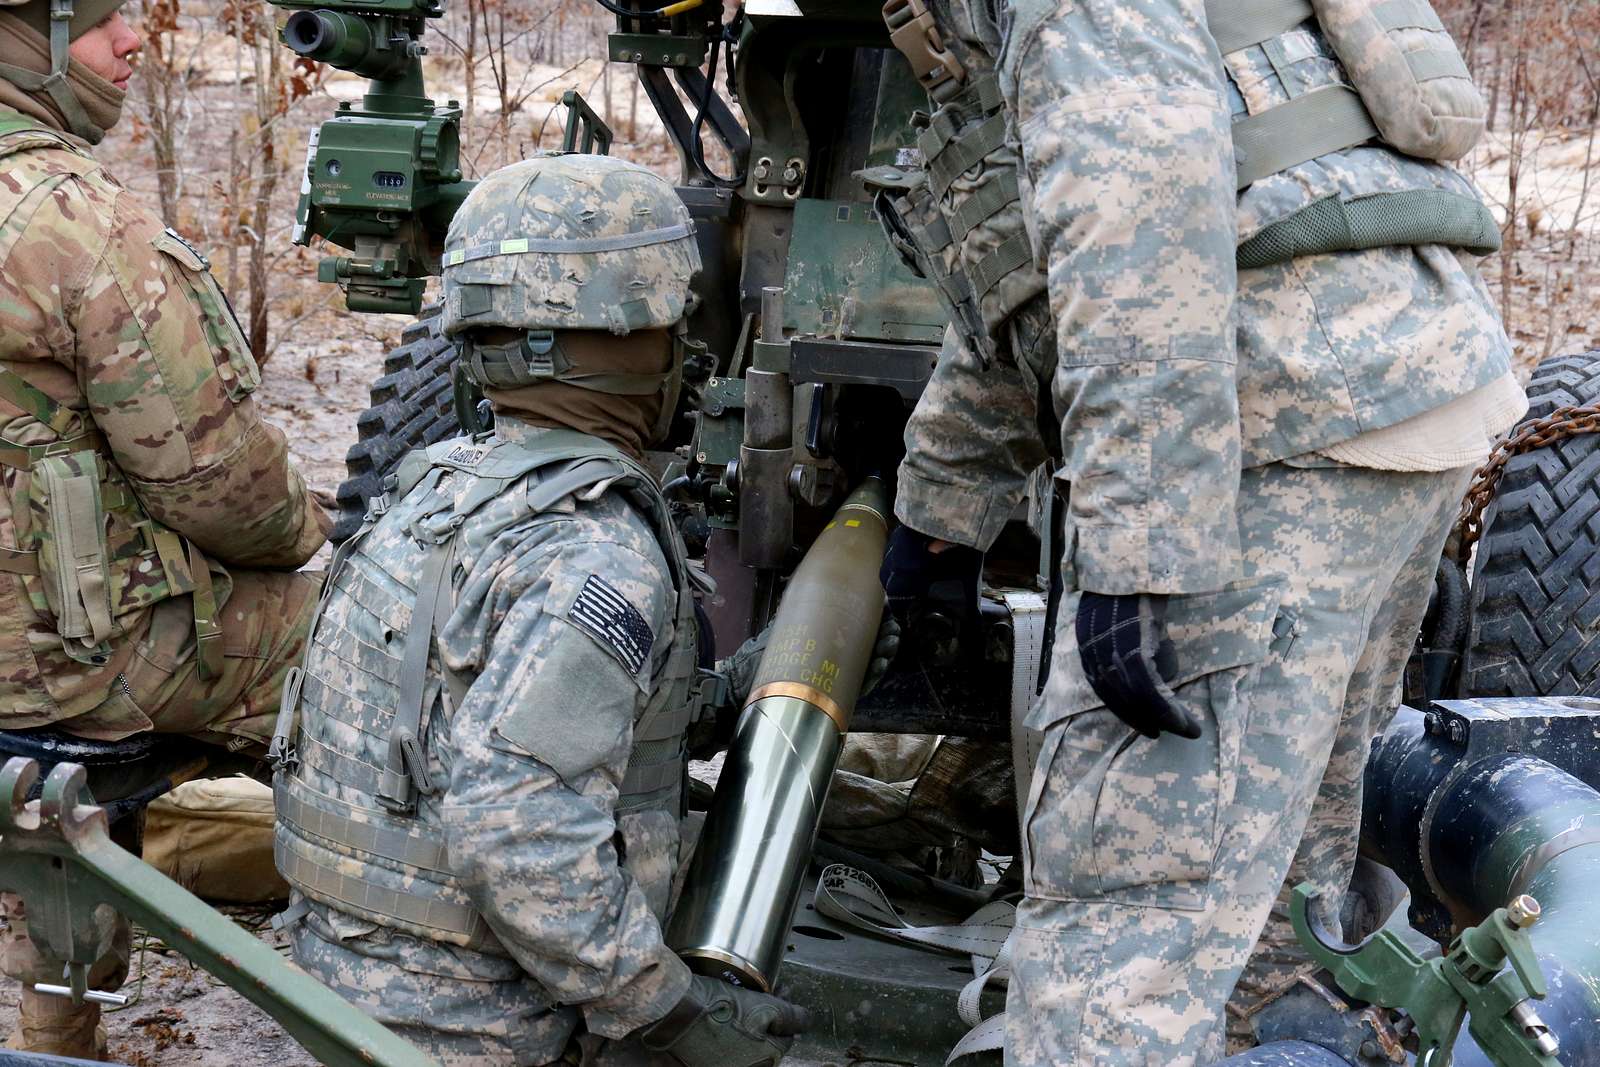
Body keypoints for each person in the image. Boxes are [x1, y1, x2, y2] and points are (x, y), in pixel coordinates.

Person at [876, 0, 1526, 1063]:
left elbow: (1138, 234)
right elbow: (1033, 258)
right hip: (1384, 398)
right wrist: (943, 507)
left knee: (1128, 910)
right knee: (1281, 895)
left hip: (1284, 429)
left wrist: (1145, 551)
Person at [271, 153, 810, 1067]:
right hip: (474, 1029)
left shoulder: (434, 491)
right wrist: (666, 1011)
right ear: (637, 337)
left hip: (344, 991)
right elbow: (515, 829)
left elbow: (475, 728)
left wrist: (734, 693)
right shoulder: (595, 550)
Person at [0, 0, 329, 1056]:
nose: (134, 41)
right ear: (26, 41)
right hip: (70, 673)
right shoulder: (73, 223)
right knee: (375, 643)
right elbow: (221, 486)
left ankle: (61, 1025)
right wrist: (312, 530)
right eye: (101, 21)